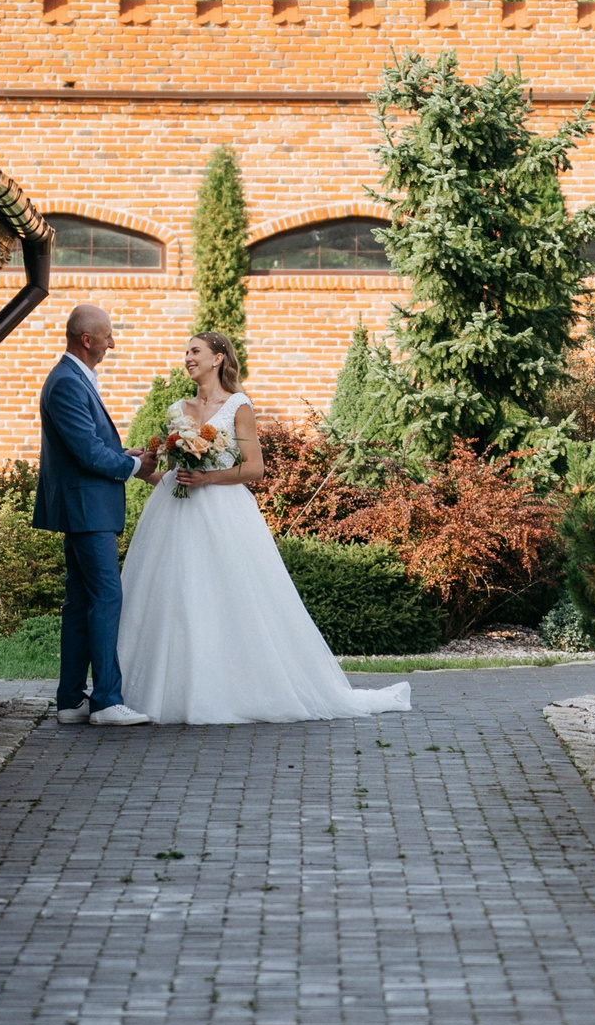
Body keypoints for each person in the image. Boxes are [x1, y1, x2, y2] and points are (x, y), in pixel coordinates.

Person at [117, 331, 411, 723]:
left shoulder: (238, 404)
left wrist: (208, 478)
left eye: (195, 351)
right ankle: (170, 691)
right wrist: (146, 473)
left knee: (230, 595)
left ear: (218, 358)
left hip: (223, 514)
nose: (188, 358)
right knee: (176, 596)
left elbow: (254, 468)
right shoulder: (177, 408)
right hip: (175, 517)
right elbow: (175, 474)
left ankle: (233, 689)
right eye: (187, 352)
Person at [32, 303, 158, 727]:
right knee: (106, 597)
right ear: (87, 340)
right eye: (107, 336)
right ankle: (105, 700)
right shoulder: (67, 382)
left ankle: (70, 700)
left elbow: (84, 445)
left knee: (81, 600)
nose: (112, 343)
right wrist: (135, 468)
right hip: (87, 510)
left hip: (84, 507)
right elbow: (86, 453)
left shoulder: (72, 378)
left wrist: (123, 454)